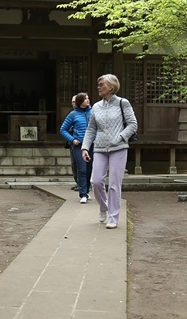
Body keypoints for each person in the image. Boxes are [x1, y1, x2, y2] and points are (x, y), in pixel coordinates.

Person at [82, 73, 138, 229]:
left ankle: (113, 217)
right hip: (99, 148)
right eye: (98, 85)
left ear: (111, 87)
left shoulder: (123, 103)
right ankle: (104, 206)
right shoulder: (96, 107)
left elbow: (133, 125)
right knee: (96, 181)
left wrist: (120, 137)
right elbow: (91, 128)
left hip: (118, 148)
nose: (98, 87)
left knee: (114, 184)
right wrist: (85, 147)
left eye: (102, 85)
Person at [59, 92, 93, 201]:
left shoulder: (93, 112)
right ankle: (83, 194)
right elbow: (63, 129)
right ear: (80, 102)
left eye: (88, 98)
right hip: (79, 145)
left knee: (89, 169)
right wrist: (72, 139)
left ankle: (87, 190)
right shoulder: (73, 114)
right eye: (85, 99)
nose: (88, 100)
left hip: (92, 144)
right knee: (82, 169)